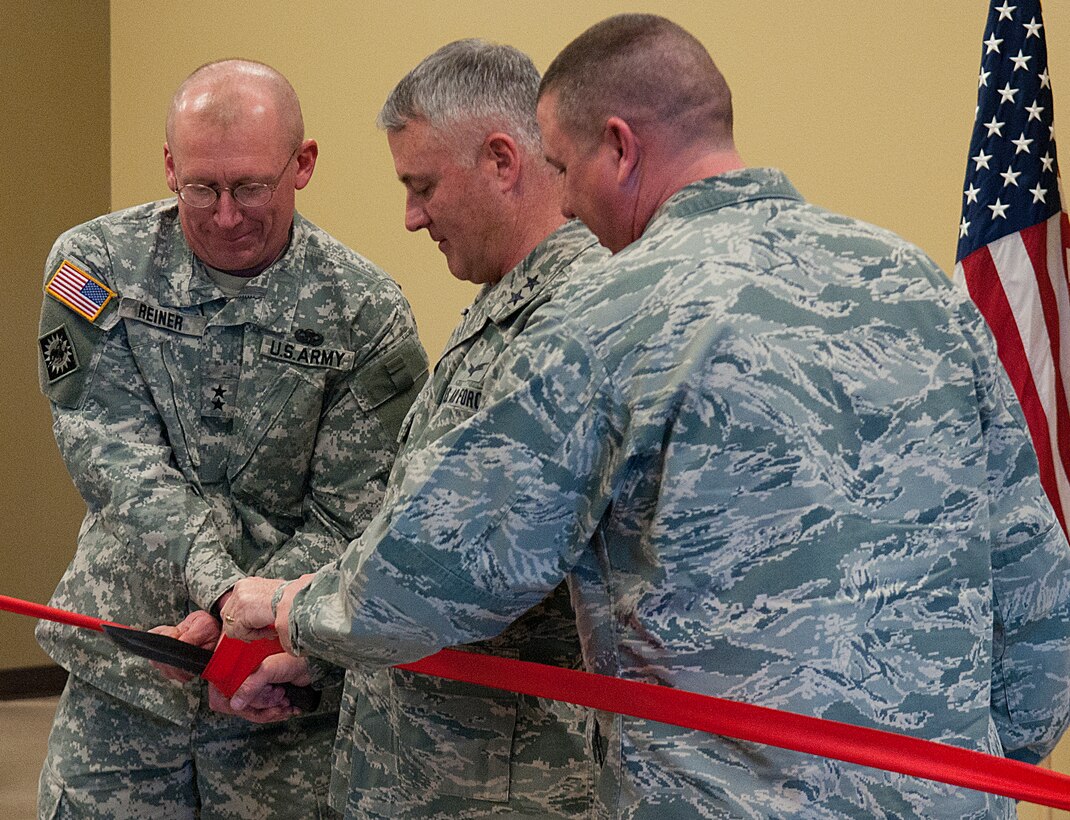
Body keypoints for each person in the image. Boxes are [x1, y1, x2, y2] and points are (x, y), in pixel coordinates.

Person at [223, 14, 1070, 819]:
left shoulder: (615, 313)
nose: (564, 202)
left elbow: (449, 567)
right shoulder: (914, 283)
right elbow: (1040, 597)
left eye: (560, 167)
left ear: (620, 148)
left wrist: (297, 609)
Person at [214, 40, 608, 819]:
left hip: (499, 785)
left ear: (502, 159)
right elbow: (411, 534)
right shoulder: (506, 303)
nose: (411, 215)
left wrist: (296, 611)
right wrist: (319, 656)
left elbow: (468, 566)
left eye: (422, 185)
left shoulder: (572, 323)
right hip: (418, 762)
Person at [35, 58, 427, 818]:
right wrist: (221, 588)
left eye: (251, 187)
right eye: (201, 188)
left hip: (280, 698)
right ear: (170, 166)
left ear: (303, 164)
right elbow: (115, 459)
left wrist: (244, 631)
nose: (224, 215)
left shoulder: (364, 314)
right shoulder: (96, 268)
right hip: (127, 676)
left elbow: (351, 512)